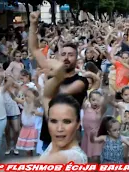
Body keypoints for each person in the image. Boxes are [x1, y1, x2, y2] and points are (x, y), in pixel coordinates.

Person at [28, 11, 89, 150]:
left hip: (69, 138)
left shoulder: (81, 81)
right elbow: (34, 49)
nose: (67, 57)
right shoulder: (54, 74)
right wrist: (33, 24)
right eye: (63, 54)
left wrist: (52, 80)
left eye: (71, 55)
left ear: (77, 59)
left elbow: (59, 93)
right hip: (48, 135)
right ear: (58, 57)